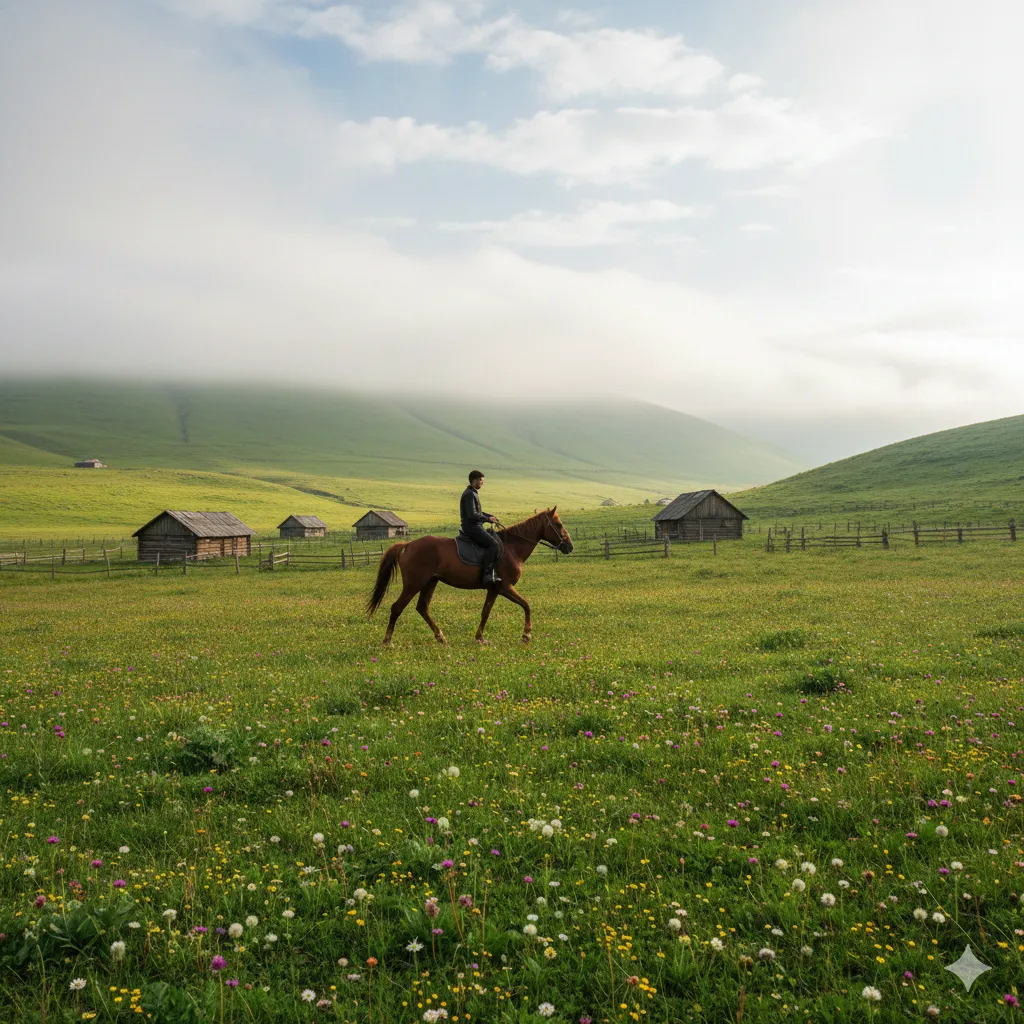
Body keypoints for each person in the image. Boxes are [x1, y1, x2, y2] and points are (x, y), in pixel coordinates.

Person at [460, 469, 502, 584]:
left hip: (475, 525)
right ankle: (487, 575)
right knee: (493, 544)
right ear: (475, 480)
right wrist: (488, 519)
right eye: (481, 481)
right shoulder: (469, 494)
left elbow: (479, 512)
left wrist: (491, 517)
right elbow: (472, 515)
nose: (482, 483)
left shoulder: (472, 493)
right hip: (472, 527)